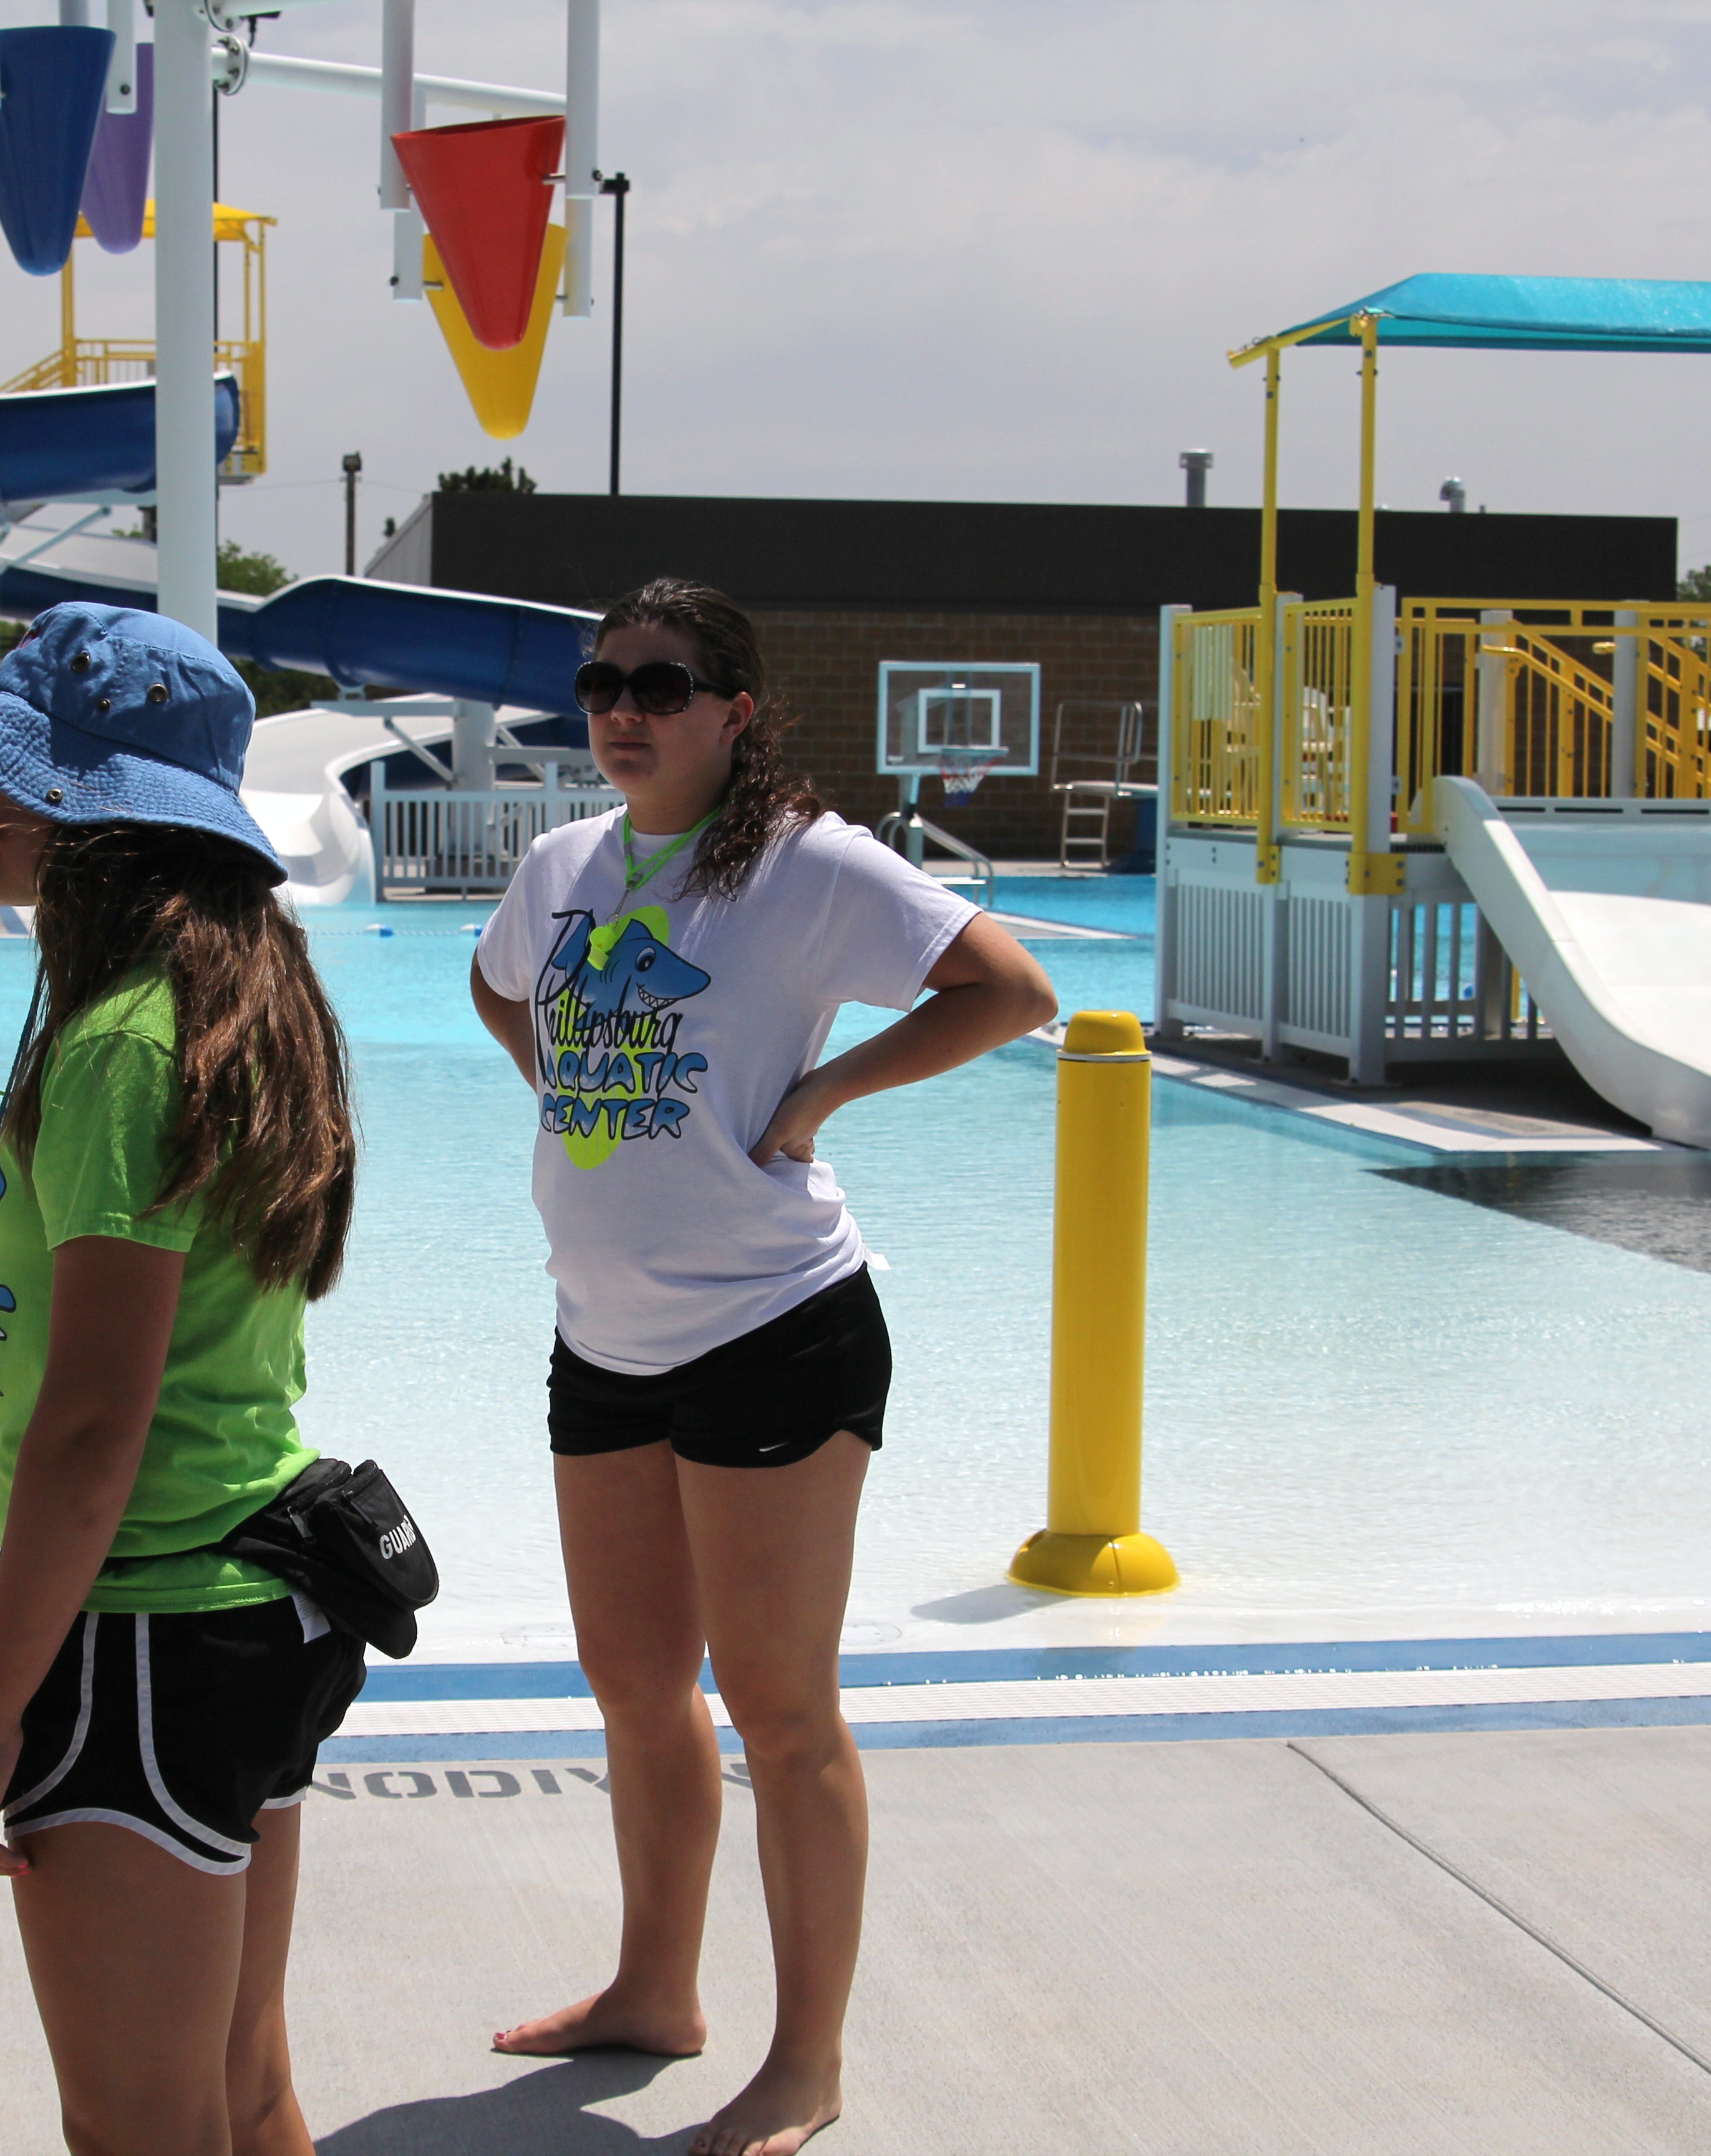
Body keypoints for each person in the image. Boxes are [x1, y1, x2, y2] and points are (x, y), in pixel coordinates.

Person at [468, 579, 1057, 2156]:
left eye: (661, 685)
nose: (622, 711)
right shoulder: (564, 865)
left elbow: (1010, 989)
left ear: (735, 713)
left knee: (782, 1713)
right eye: (602, 682)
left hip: (773, 1330)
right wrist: (571, 1091)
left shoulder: (806, 866)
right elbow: (500, 983)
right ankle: (654, 1991)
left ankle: (809, 2064)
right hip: (602, 1337)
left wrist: (819, 1100)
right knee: (635, 1689)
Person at [0, 604, 366, 2156]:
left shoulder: (124, 1038)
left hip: (143, 1638)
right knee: (242, 2088)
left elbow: (95, 1427)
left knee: (135, 2126)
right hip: (255, 1603)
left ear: (101, 825)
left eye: (12, 779)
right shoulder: (249, 997)